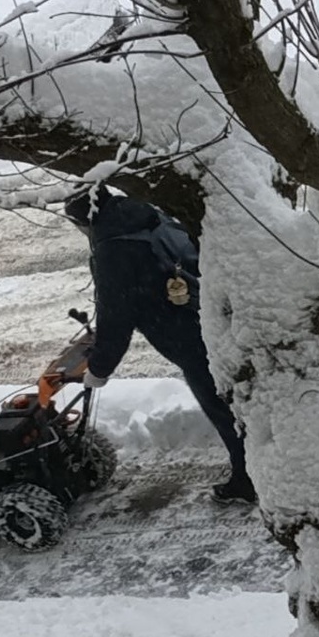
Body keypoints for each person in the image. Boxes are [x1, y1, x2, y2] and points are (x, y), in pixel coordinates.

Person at [64, 184, 255, 504]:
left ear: (83, 221)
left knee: (223, 408)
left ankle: (249, 480)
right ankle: (265, 465)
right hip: (214, 313)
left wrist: (98, 368)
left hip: (187, 335)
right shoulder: (148, 213)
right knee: (238, 399)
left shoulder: (113, 247)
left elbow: (116, 318)